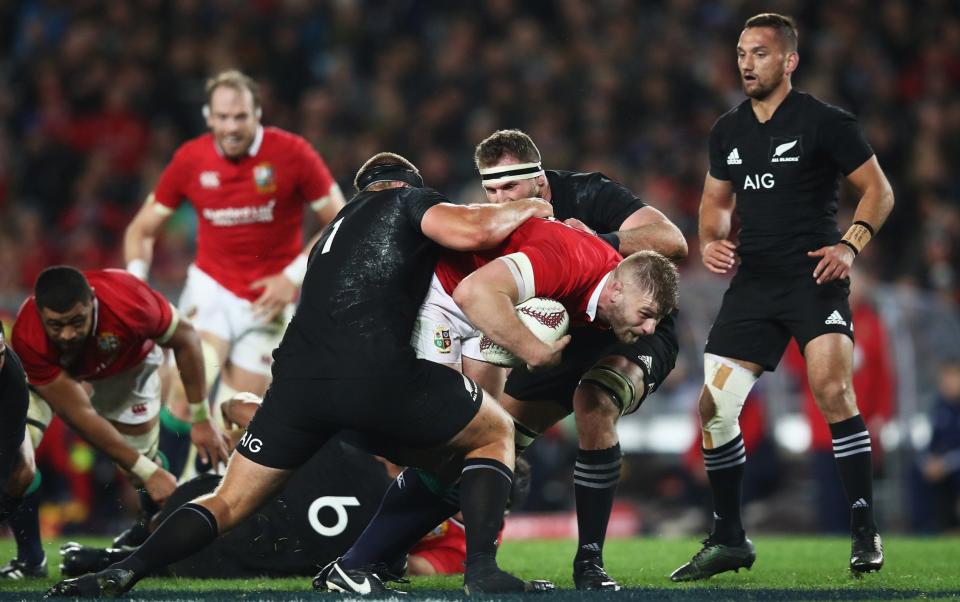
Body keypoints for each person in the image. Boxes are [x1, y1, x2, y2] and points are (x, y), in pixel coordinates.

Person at [47, 152, 556, 598]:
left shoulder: (328, 238)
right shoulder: (407, 200)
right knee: (494, 433)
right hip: (373, 372)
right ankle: (482, 571)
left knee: (227, 500)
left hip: (297, 384)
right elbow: (473, 229)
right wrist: (528, 206)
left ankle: (124, 570)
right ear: (405, 183)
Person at [334, 220, 679, 592]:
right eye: (646, 314)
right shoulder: (573, 260)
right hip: (438, 299)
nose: (649, 329)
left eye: (656, 319)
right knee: (458, 438)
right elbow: (472, 293)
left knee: (475, 438)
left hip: (465, 313)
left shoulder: (598, 286)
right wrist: (533, 350)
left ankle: (371, 560)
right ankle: (380, 558)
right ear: (614, 291)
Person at [670, 13, 895, 581]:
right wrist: (712, 240)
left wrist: (850, 245)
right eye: (742, 53)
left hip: (814, 277)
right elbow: (715, 203)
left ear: (789, 61)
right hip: (753, 284)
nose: (747, 63)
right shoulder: (728, 129)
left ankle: (865, 530)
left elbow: (879, 191)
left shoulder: (825, 122)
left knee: (831, 388)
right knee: (714, 409)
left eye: (760, 54)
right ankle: (728, 538)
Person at [123, 69, 346, 406]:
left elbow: (344, 220)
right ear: (208, 117)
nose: (231, 127)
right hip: (212, 289)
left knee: (239, 416)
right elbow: (140, 229)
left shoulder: (293, 154)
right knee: (184, 395)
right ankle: (163, 458)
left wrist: (292, 277)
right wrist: (137, 288)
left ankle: (213, 459)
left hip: (267, 301)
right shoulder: (190, 161)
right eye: (223, 117)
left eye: (240, 116)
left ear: (257, 114)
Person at [10, 267, 228, 552]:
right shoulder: (28, 333)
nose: (67, 334)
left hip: (126, 365)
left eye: (77, 321)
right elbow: (78, 413)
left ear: (92, 300)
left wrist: (200, 418)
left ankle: (148, 529)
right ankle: (29, 559)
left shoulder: (128, 300)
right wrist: (148, 471)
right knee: (14, 466)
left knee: (138, 468)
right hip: (53, 378)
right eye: (55, 325)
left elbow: (186, 338)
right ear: (40, 313)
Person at [0, 325, 45, 579]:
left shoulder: (12, 381)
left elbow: (4, 455)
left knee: (23, 469)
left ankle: (31, 559)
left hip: (7, 411)